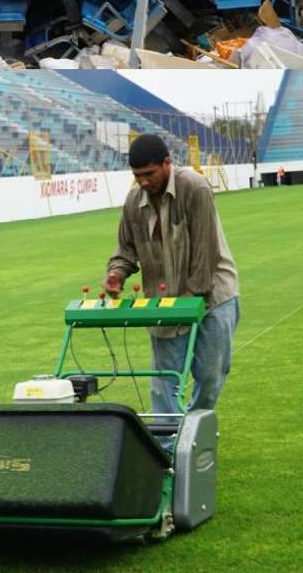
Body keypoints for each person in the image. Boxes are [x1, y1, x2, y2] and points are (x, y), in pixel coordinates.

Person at [104, 133, 240, 416]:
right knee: (164, 382)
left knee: (210, 376)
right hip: (164, 303)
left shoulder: (195, 188)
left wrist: (191, 299)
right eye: (137, 175)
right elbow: (125, 251)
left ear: (167, 163)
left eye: (149, 174)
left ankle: (192, 431)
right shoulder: (133, 203)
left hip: (214, 297)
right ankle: (165, 445)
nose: (143, 181)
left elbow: (206, 250)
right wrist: (116, 274)